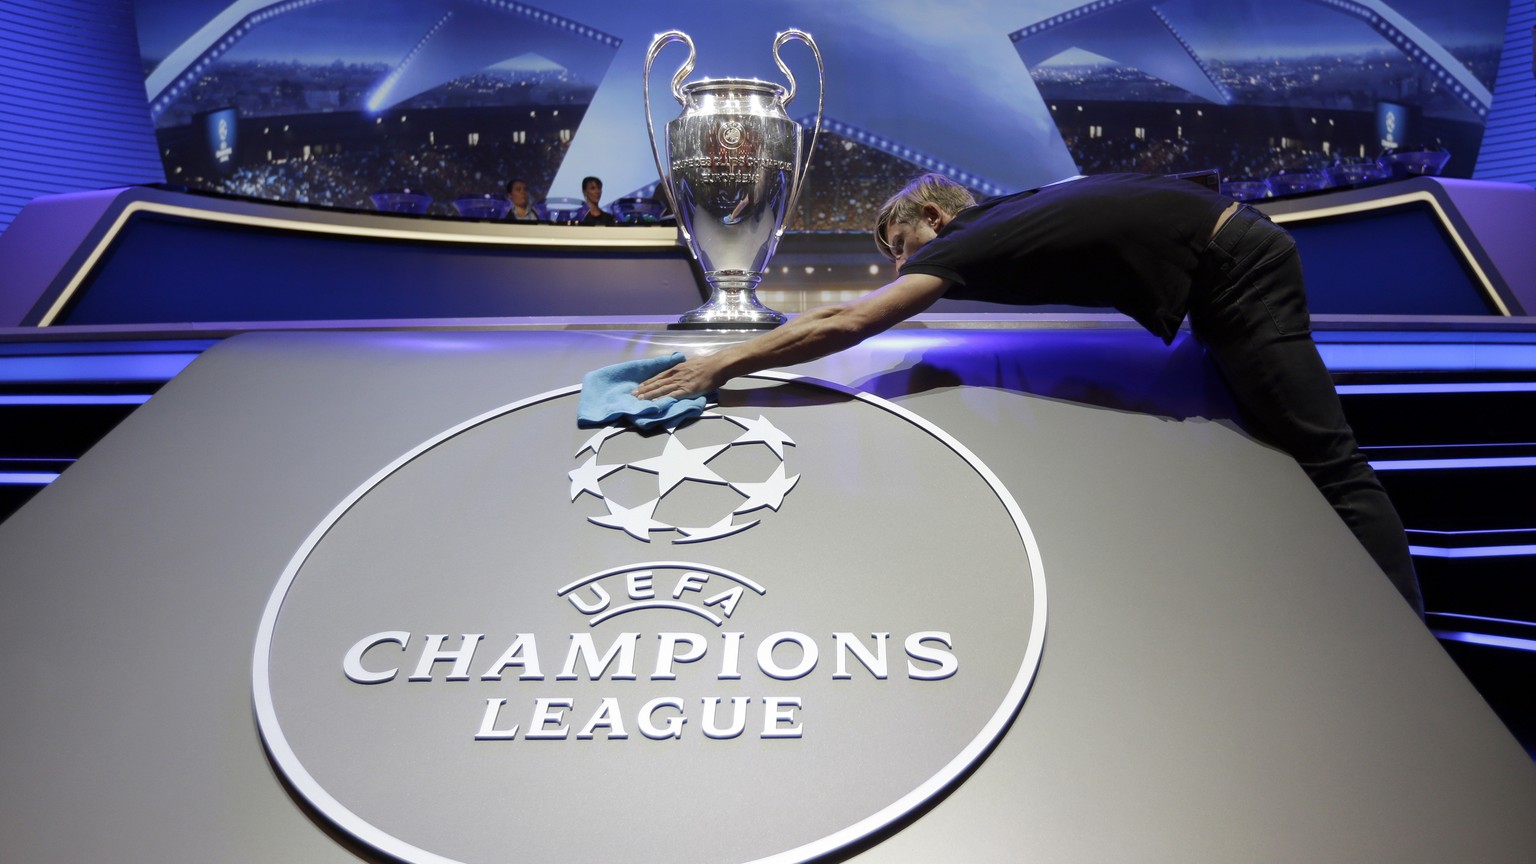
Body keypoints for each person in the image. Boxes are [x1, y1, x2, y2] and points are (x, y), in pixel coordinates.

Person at [634, 171, 1423, 615]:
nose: (901, 267)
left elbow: (852, 322)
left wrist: (720, 366)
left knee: (1328, 459)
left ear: (936, 217)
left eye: (904, 247)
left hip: (1236, 272)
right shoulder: (1011, 207)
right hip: (1228, 260)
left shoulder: (970, 237)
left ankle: (1406, 635)